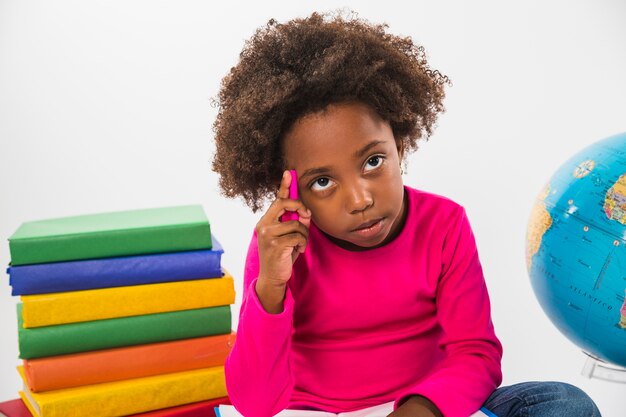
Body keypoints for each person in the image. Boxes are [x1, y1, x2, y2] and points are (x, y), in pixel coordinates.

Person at [211, 11, 601, 417]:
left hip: (426, 406)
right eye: (322, 183)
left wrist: (419, 410)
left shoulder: (444, 225)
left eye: (373, 161)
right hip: (312, 412)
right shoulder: (280, 248)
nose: (360, 199)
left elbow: (476, 354)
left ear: (399, 143)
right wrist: (271, 288)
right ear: (288, 187)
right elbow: (254, 404)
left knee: (563, 404)